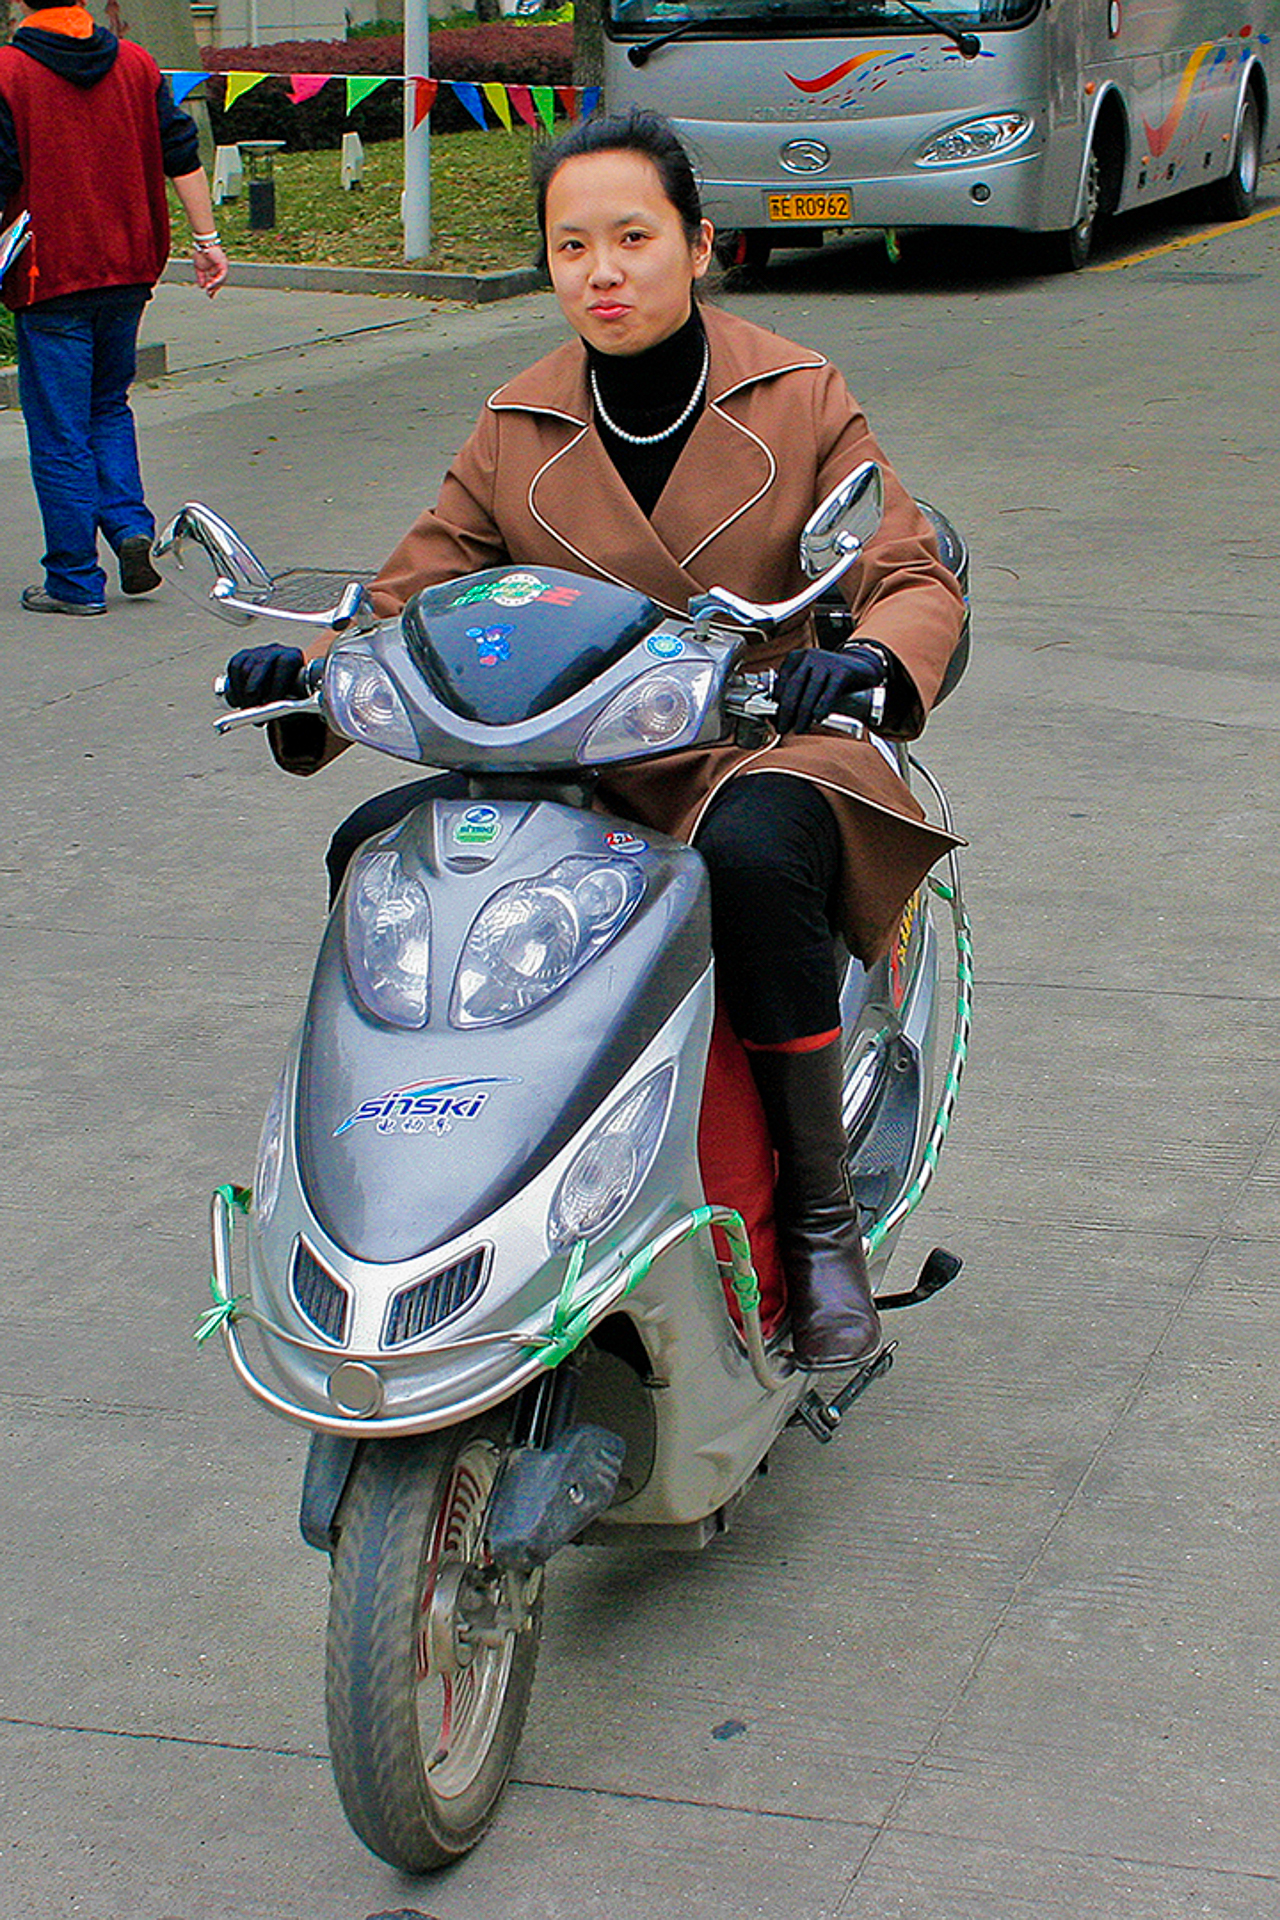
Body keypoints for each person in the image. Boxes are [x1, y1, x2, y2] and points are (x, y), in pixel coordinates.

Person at [223, 109, 965, 1371]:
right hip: (563, 765)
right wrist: (309, 677)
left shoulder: (796, 394)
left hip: (754, 743)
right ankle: (425, 1190)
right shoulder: (516, 421)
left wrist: (869, 660)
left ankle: (816, 1223)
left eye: (632, 238)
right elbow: (410, 591)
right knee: (378, 855)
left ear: (697, 245)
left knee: (754, 857)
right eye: (572, 246)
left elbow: (902, 568)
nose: (602, 272)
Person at [0, 0, 228, 616]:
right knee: (107, 407)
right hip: (128, 268)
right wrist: (206, 241)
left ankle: (74, 579)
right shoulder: (136, 63)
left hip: (50, 276)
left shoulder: (8, 74)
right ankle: (129, 527)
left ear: (20, 2)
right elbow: (180, 152)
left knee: (59, 431)